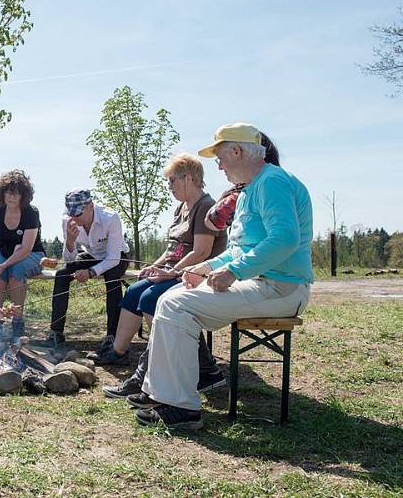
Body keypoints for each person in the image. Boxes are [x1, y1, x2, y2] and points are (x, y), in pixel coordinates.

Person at [132, 122, 313, 430]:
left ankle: (181, 407)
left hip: (282, 288)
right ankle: (162, 393)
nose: (218, 166)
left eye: (220, 156)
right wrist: (206, 268)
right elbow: (241, 249)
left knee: (177, 306)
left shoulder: (273, 182)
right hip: (261, 284)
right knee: (171, 299)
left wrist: (234, 272)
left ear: (238, 151)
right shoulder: (249, 191)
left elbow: (285, 239)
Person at [97, 153, 227, 398]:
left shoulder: (206, 207)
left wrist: (168, 274)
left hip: (196, 274)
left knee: (150, 299)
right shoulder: (181, 208)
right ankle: (118, 352)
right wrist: (154, 267)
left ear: (188, 178)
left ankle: (193, 369)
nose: (169, 187)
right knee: (135, 291)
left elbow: (201, 252)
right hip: (173, 271)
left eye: (172, 181)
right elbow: (172, 249)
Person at [47, 189, 130, 350]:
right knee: (62, 274)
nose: (75, 218)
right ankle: (56, 332)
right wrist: (70, 242)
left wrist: (91, 272)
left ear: (91, 206)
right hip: (91, 254)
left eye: (78, 214)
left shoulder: (110, 217)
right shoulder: (68, 220)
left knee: (112, 278)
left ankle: (112, 336)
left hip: (117, 255)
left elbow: (113, 258)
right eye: (72, 214)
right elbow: (69, 260)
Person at [0, 170, 46, 338]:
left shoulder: (31, 213)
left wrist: (3, 265)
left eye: (17, 194)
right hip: (4, 252)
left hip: (31, 254)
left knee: (16, 271)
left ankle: (17, 321)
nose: (12, 197)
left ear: (23, 196)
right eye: (9, 192)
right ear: (2, 193)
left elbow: (26, 248)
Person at [205, 132, 280, 231]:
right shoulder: (276, 180)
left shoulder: (241, 194)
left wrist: (227, 195)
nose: (220, 166)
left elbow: (212, 221)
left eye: (220, 159)